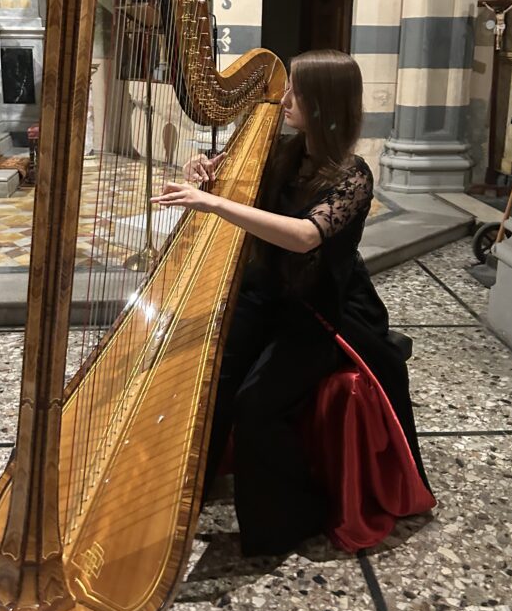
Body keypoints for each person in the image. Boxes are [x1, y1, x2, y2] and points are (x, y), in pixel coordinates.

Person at [152, 49, 432, 557]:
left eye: (295, 92)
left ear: (323, 103)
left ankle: (295, 516)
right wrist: (206, 172)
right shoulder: (282, 150)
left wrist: (215, 203)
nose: (283, 99)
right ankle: (186, 490)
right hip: (266, 292)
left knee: (255, 405)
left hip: (320, 308)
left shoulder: (353, 175)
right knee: (209, 373)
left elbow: (305, 237)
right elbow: (237, 184)